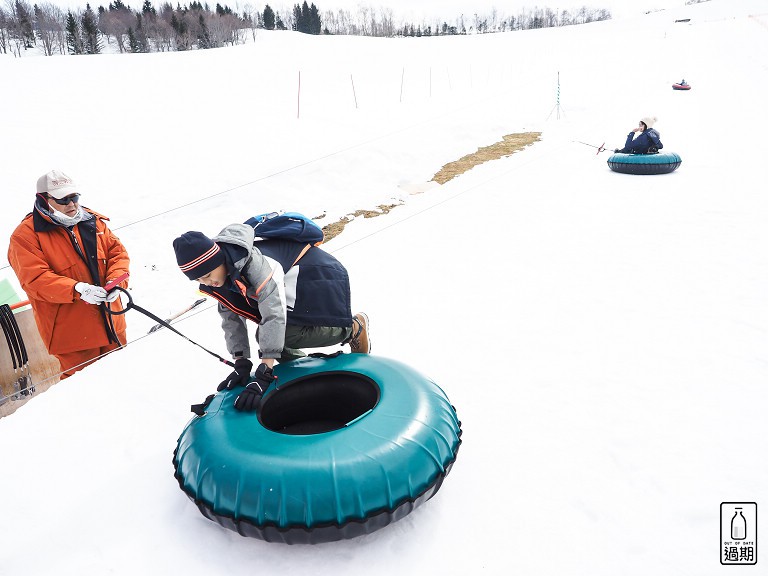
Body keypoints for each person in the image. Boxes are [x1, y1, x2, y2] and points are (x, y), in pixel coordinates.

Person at [172, 222, 370, 411]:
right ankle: (303, 369)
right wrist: (241, 361)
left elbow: (274, 314)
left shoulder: (257, 265)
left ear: (218, 260)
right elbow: (230, 318)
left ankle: (352, 329)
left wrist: (265, 371)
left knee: (277, 335)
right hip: (290, 280)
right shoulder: (219, 276)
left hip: (314, 273)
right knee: (271, 339)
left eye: (206, 275)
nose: (205, 282)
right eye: (197, 279)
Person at [7, 170, 130, 378]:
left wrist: (115, 282)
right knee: (85, 396)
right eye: (63, 200)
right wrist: (77, 289)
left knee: (125, 381)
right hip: (73, 337)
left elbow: (118, 254)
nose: (72, 204)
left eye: (74, 197)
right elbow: (35, 280)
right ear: (44, 199)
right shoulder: (25, 237)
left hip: (112, 325)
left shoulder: (94, 222)